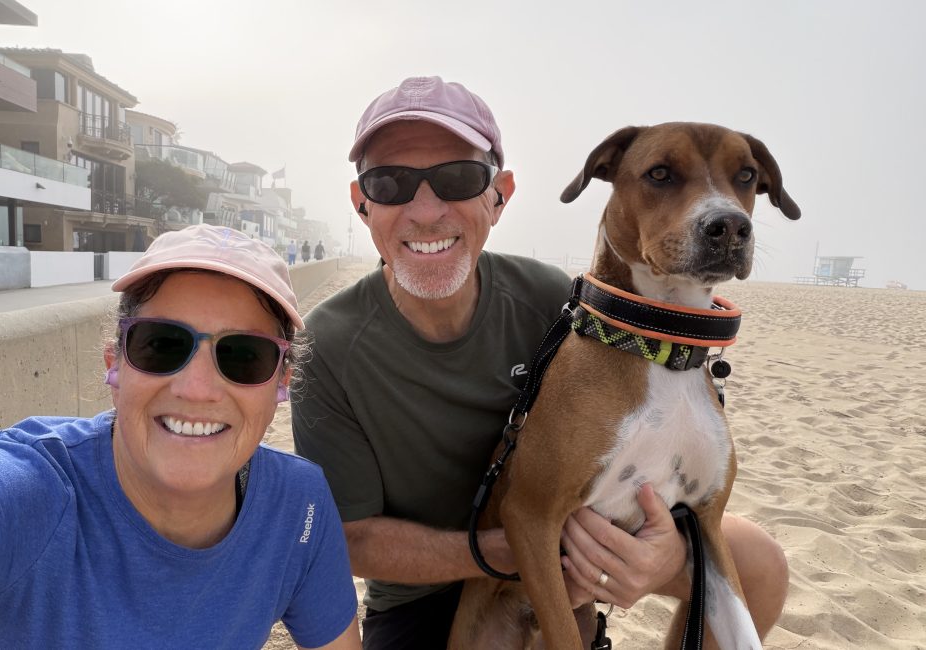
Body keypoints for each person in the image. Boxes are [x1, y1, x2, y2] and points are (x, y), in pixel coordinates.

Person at [292, 76, 788, 649]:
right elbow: (350, 539)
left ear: (499, 196)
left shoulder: (564, 306)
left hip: (571, 568)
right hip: (427, 594)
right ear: (361, 204)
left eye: (457, 178)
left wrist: (659, 557)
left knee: (760, 562)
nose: (425, 210)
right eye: (390, 183)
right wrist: (513, 551)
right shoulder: (326, 345)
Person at [0, 224, 361, 649]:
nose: (196, 390)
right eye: (161, 346)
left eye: (243, 356)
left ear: (281, 383)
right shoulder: (19, 493)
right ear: (115, 366)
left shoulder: (298, 506)